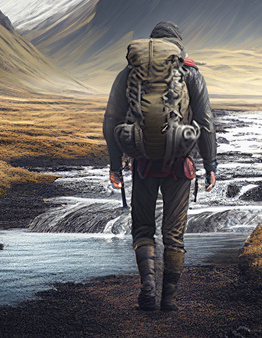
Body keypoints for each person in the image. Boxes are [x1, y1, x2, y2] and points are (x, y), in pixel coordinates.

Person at [103, 21, 217, 312]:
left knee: (143, 229)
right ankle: (168, 299)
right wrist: (210, 165)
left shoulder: (129, 74)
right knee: (173, 235)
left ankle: (147, 287)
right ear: (177, 47)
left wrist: (115, 166)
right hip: (180, 165)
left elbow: (111, 121)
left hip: (143, 163)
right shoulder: (191, 73)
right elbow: (205, 123)